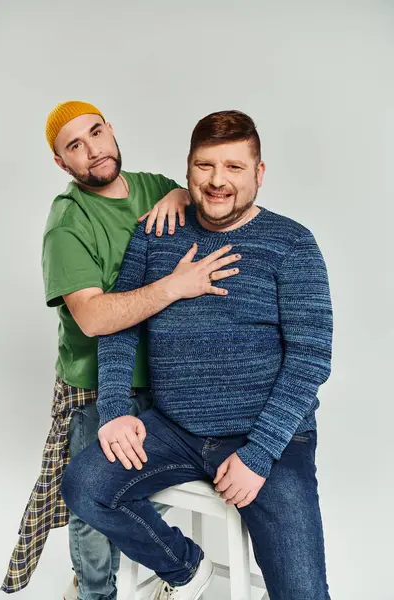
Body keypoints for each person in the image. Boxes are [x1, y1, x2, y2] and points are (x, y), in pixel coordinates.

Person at [61, 109, 333, 600]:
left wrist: (257, 454)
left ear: (259, 173)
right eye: (205, 166)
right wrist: (117, 410)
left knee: (303, 593)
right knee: (84, 483)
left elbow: (310, 357)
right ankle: (186, 568)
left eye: (233, 167)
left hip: (267, 439)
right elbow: (121, 329)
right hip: (175, 430)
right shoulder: (156, 233)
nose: (217, 181)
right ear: (187, 171)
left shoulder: (292, 243)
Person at [1, 102, 241, 600]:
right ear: (61, 163)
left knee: (144, 491)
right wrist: (175, 287)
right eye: (74, 146)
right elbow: (93, 317)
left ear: (110, 129)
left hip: (165, 381)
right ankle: (95, 592)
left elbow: (203, 194)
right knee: (93, 505)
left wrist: (179, 192)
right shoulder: (67, 223)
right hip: (96, 388)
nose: (92, 150)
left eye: (94, 132)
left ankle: (158, 569)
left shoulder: (153, 186)